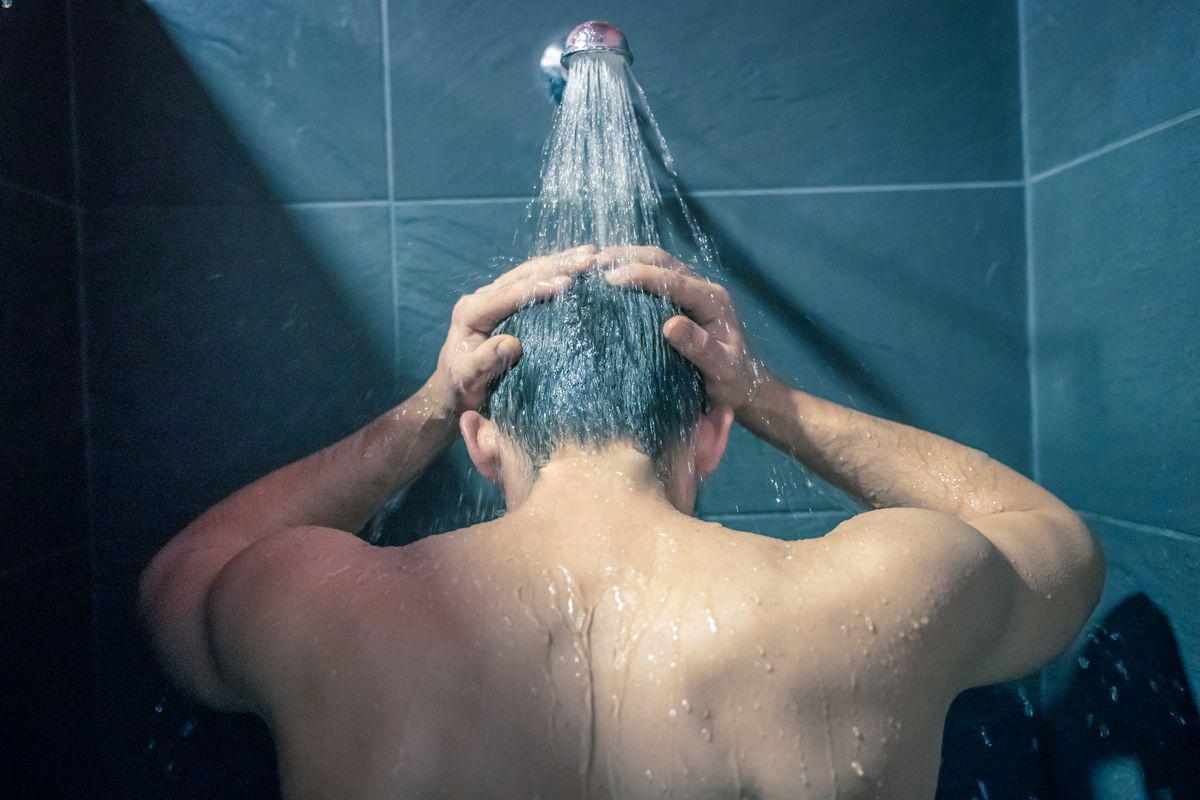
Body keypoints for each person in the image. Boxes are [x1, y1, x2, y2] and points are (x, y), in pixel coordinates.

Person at [140, 244, 1104, 799]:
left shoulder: (321, 608)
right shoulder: (878, 594)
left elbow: (185, 575)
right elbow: (1050, 536)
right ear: (713, 435)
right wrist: (766, 396)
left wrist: (429, 406)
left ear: (480, 442)